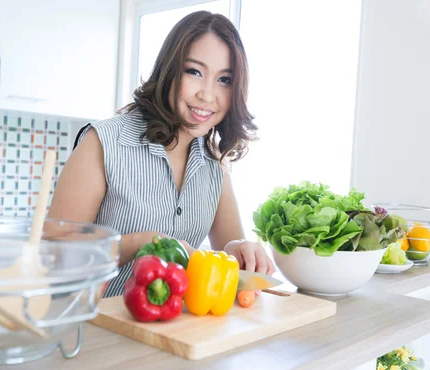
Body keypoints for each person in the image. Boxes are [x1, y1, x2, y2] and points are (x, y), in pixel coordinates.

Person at [48, 10, 275, 297]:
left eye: (224, 80)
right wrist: (140, 242)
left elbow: (227, 259)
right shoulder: (103, 143)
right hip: (96, 332)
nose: (207, 94)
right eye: (194, 72)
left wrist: (239, 250)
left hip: (173, 332)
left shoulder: (214, 162)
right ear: (170, 70)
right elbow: (53, 258)